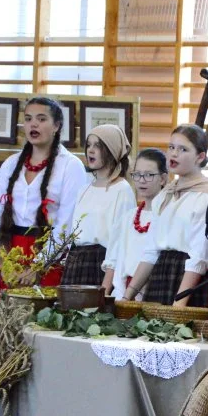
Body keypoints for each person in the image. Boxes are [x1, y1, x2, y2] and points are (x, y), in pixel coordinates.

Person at [0, 97, 89, 292]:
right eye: (28, 119)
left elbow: (65, 224)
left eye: (42, 119)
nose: (33, 124)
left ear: (57, 126)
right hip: (9, 249)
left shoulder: (71, 165)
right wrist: (1, 259)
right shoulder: (10, 164)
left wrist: (38, 266)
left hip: (49, 253)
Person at [124, 125, 208, 307]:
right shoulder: (165, 194)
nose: (174, 154)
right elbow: (151, 251)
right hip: (161, 275)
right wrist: (127, 296)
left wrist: (179, 304)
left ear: (200, 157)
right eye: (171, 147)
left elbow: (200, 255)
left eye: (183, 149)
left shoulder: (206, 195)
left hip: (188, 279)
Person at [61, 124, 135, 294]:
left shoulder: (122, 190)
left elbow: (120, 243)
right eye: (89, 145)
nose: (90, 150)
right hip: (76, 261)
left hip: (100, 265)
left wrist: (105, 289)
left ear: (111, 150)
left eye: (98, 146)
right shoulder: (85, 188)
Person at [111, 148, 168, 299]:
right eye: (137, 175)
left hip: (154, 291)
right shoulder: (129, 217)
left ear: (163, 179)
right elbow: (120, 260)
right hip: (126, 293)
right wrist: (120, 295)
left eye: (149, 175)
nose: (142, 180)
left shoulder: (166, 215)